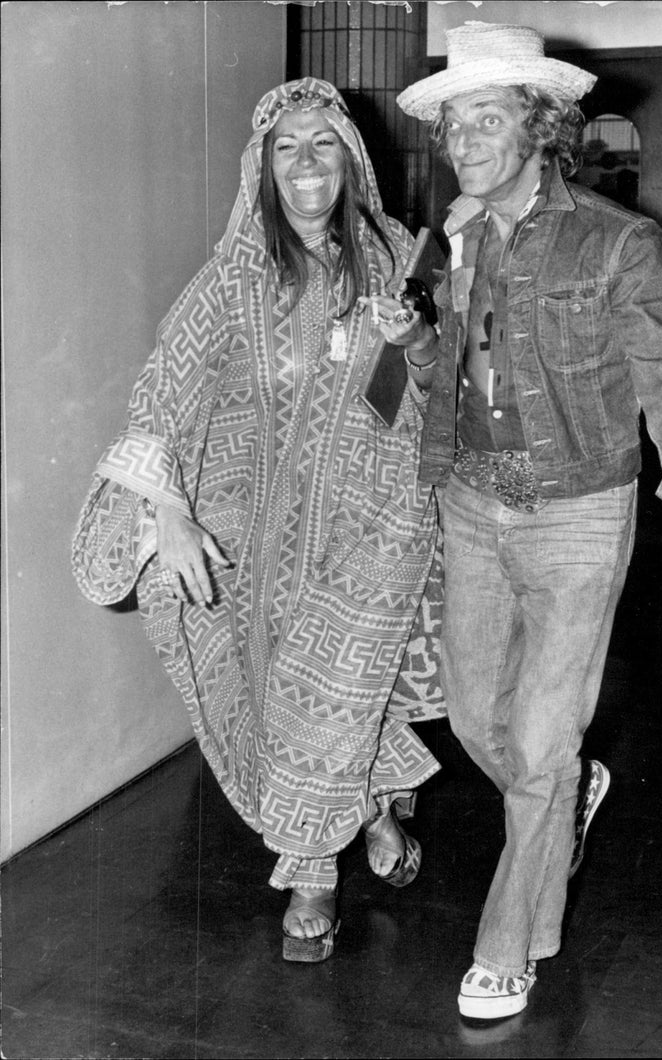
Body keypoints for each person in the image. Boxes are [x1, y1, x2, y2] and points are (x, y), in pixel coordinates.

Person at [390, 22, 662, 1019]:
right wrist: (413, 340)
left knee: (539, 742)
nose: (461, 140)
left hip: (579, 511)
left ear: (539, 127)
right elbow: (444, 383)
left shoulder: (618, 242)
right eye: (452, 121)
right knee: (475, 719)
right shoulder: (453, 235)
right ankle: (566, 790)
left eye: (485, 118)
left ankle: (509, 946)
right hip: (471, 503)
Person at [72, 77, 447, 964]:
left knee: (337, 685)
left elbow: (436, 394)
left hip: (379, 517)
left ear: (351, 159)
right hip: (264, 529)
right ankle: (375, 809)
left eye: (324, 144)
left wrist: (418, 343)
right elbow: (160, 393)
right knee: (283, 693)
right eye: (287, 146)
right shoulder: (232, 277)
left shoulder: (401, 255)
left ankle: (311, 864)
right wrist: (167, 510)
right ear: (262, 167)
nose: (307, 163)